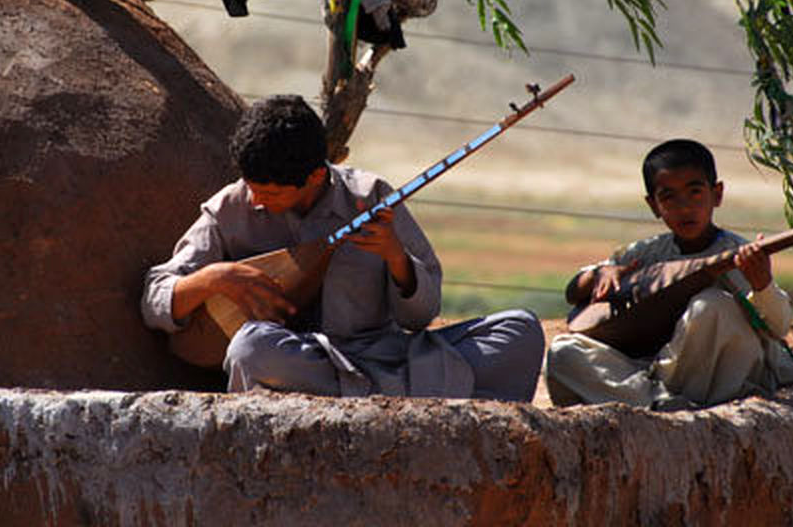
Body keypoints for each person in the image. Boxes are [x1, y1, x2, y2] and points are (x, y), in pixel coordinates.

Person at [141, 94, 545, 401]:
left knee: (519, 330)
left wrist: (395, 257)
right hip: (305, 363)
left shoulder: (370, 196)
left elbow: (423, 315)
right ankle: (408, 402)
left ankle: (382, 403)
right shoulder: (231, 208)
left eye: (269, 192)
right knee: (251, 349)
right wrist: (214, 278)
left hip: (385, 357)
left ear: (315, 176)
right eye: (251, 186)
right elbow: (155, 297)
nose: (256, 201)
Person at [545, 138, 793, 409]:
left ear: (717, 194)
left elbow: (778, 328)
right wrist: (601, 272)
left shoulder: (738, 253)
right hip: (658, 376)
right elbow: (573, 291)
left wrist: (762, 283)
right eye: (669, 197)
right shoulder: (646, 253)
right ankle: (661, 405)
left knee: (711, 306)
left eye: (695, 192)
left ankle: (661, 404)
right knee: (563, 352)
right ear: (653, 205)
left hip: (717, 377)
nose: (684, 207)